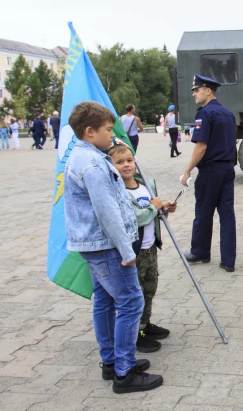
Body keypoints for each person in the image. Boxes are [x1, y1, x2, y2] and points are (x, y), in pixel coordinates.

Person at [63, 101, 162, 394]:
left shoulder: (86, 156)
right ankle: (124, 371)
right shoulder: (93, 164)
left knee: (105, 302)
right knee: (131, 302)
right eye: (108, 129)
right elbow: (107, 213)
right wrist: (127, 250)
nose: (113, 134)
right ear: (90, 131)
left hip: (96, 244)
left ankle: (111, 362)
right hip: (107, 245)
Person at [109, 144, 176, 353]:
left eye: (129, 160)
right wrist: (153, 208)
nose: (126, 165)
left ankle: (145, 326)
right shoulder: (118, 192)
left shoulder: (145, 186)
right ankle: (134, 334)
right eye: (119, 162)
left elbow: (153, 213)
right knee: (135, 294)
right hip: (133, 252)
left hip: (150, 249)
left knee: (149, 288)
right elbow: (132, 219)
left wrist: (164, 208)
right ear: (111, 167)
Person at [181, 75, 237, 272]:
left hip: (210, 170)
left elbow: (201, 148)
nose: (194, 94)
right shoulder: (228, 114)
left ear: (208, 91)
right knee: (227, 214)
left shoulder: (205, 114)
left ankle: (200, 251)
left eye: (197, 90)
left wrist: (187, 170)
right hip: (227, 169)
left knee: (204, 212)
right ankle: (228, 260)